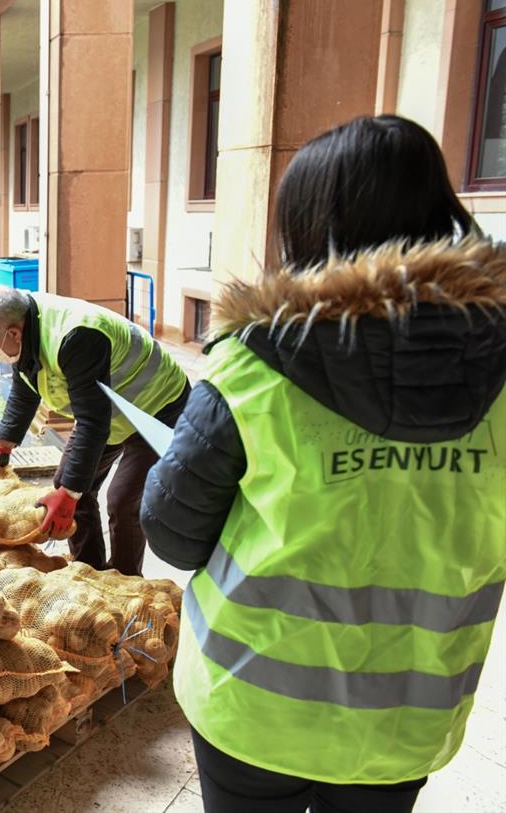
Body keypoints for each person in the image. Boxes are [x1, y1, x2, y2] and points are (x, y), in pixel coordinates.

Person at [140, 115, 504, 812]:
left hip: (250, 708)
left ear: (306, 228)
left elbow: (174, 533)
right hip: (406, 719)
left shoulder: (251, 365)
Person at [0, 284, 189, 575]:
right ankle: (88, 571)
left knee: (121, 500)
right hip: (112, 413)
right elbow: (26, 389)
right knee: (67, 486)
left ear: (13, 333)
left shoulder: (76, 336)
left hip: (156, 408)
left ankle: (125, 581)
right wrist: (2, 445)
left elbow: (93, 421)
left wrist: (70, 494)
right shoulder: (25, 326)